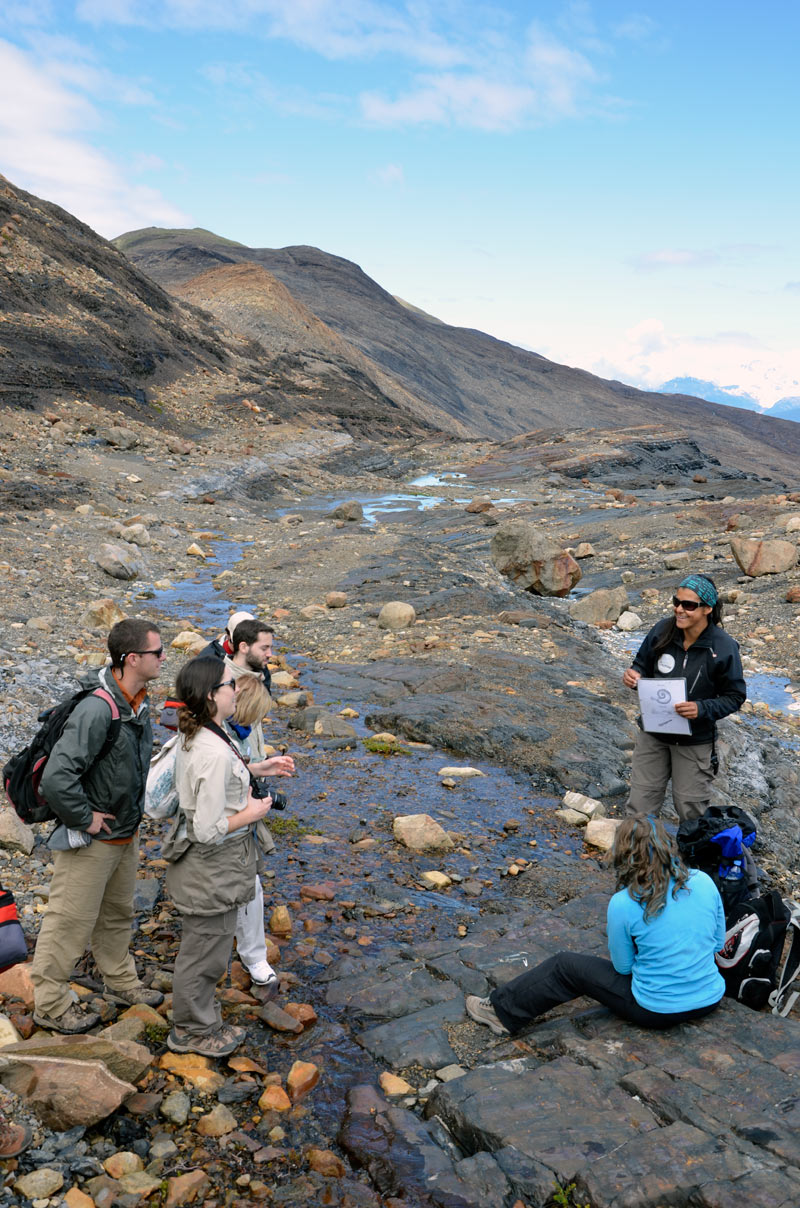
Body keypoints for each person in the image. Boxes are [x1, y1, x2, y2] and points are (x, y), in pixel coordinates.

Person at [466, 816, 726, 1037]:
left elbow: (623, 967)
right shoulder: (703, 881)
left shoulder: (624, 902)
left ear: (625, 856)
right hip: (710, 998)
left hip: (655, 1010)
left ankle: (501, 1011)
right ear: (669, 846)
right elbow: (717, 943)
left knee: (564, 966)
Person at [31, 619, 166, 1034]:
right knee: (69, 920)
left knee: (117, 913)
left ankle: (120, 981)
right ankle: (50, 1004)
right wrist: (85, 818)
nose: (164, 659)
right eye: (157, 653)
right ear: (132, 659)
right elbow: (57, 778)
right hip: (93, 838)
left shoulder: (137, 702)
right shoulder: (98, 708)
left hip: (124, 832)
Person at [164, 658, 273, 1058]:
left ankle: (200, 1019)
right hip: (211, 870)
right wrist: (252, 814)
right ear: (212, 695)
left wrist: (260, 768)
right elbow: (207, 830)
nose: (237, 690)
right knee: (204, 952)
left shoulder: (207, 733)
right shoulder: (213, 750)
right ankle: (191, 1031)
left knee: (207, 946)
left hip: (212, 871)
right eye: (230, 684)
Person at [621, 574, 746, 821]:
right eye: (676, 602)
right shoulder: (662, 630)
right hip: (653, 734)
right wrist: (634, 676)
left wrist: (701, 708)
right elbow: (641, 665)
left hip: (694, 741)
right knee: (639, 807)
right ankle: (637, 858)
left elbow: (735, 696)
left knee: (691, 810)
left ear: (707, 609)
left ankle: (692, 859)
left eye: (688, 605)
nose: (679, 609)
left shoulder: (723, 647)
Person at [223, 620, 294, 990]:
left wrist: (259, 765)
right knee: (243, 884)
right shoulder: (222, 681)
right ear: (243, 645)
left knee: (246, 882)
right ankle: (247, 955)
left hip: (246, 781)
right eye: (265, 648)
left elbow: (243, 743)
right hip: (228, 809)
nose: (270, 655)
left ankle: (245, 952)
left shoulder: (255, 675)